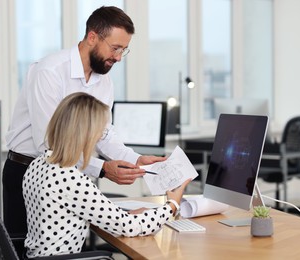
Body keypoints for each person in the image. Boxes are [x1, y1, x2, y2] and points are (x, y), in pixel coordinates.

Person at [3, 6, 166, 238]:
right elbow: (50, 145)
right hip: (28, 171)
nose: (119, 58)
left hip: (68, 175)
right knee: (22, 250)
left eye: (124, 50)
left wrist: (135, 159)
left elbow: (104, 133)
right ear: (92, 37)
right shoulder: (49, 71)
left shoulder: (104, 82)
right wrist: (102, 169)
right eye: (115, 48)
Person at [22, 92, 190, 258]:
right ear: (86, 134)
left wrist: (125, 215)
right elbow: (129, 227)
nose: (99, 138)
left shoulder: (38, 164)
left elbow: (96, 211)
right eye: (100, 132)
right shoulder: (70, 178)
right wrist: (172, 204)